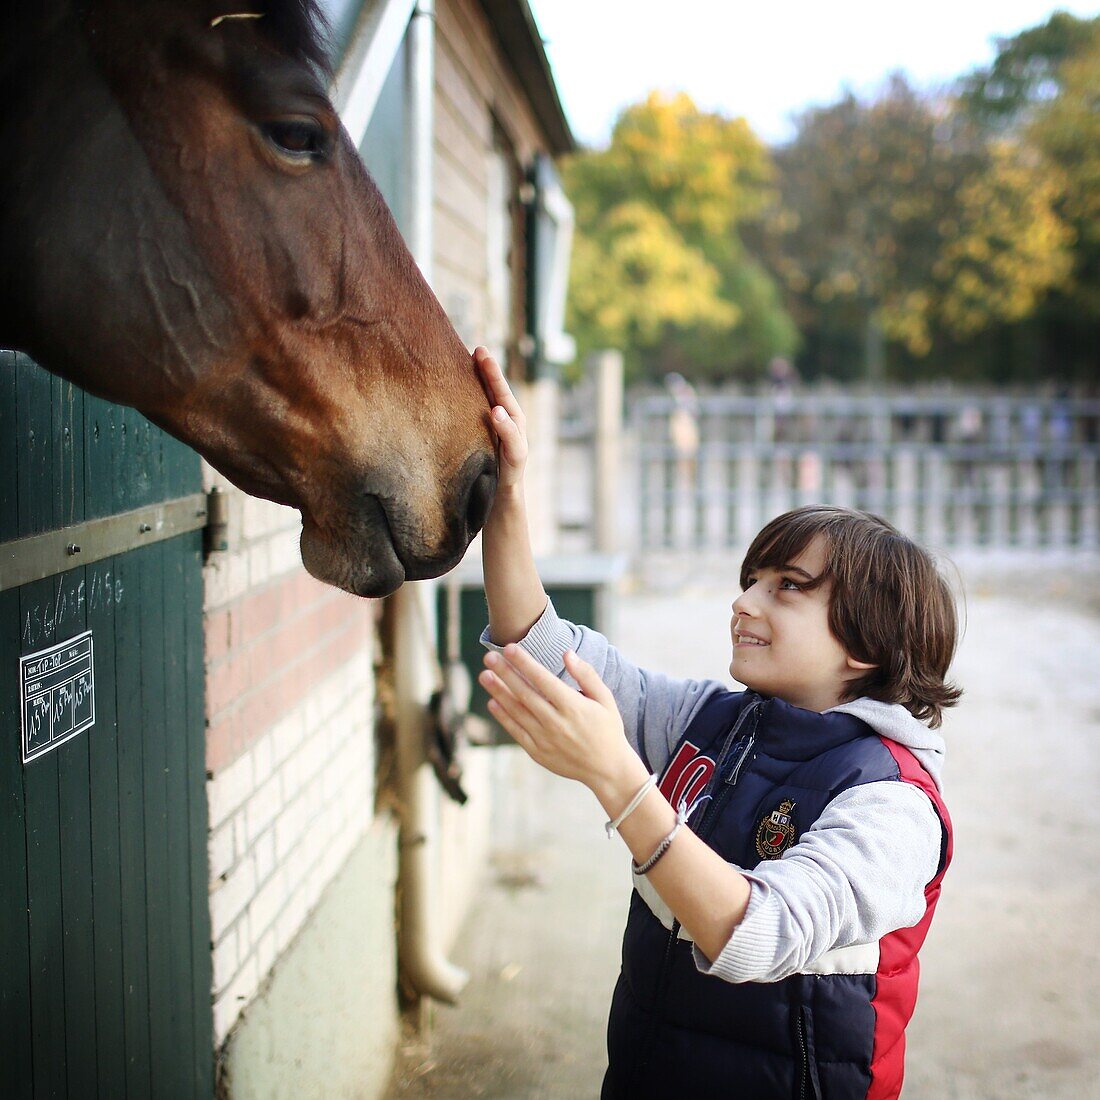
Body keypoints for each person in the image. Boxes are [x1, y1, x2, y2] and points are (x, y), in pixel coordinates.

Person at [472, 347, 961, 1100]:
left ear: (868, 642)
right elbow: (541, 644)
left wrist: (616, 777)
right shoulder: (714, 719)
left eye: (788, 587)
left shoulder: (893, 805)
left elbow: (753, 934)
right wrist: (507, 493)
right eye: (750, 581)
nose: (746, 603)